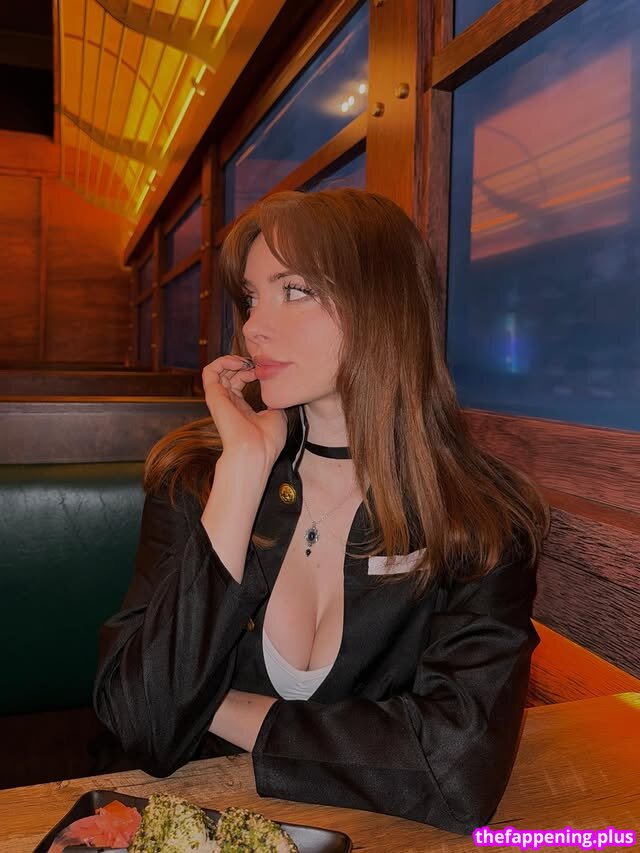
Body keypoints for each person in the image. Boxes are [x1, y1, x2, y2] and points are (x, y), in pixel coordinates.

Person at [93, 188, 550, 836]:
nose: (254, 326)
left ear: (383, 306)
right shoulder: (196, 477)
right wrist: (243, 469)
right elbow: (143, 722)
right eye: (251, 298)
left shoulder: (480, 518)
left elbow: (455, 770)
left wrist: (208, 701)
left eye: (295, 290)